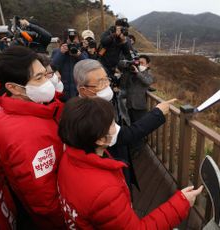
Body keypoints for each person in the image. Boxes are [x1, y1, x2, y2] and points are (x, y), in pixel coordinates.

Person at [58, 96, 203, 229]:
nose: (117, 127)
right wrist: (181, 203)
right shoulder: (106, 193)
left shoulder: (69, 158)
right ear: (101, 140)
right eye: (112, 123)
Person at [73, 59, 173, 191]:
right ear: (83, 90)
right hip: (110, 171)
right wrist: (158, 113)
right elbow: (125, 135)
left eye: (106, 79)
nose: (106, 85)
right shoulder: (89, 115)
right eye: (100, 82)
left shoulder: (90, 103)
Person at [0, 46, 65, 229]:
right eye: (38, 78)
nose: (47, 83)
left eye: (45, 74)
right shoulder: (26, 136)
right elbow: (45, 202)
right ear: (13, 87)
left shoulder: (29, 109)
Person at [51, 28, 88, 101]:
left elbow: (87, 67)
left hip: (78, 92)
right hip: (63, 92)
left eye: (75, 39)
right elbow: (52, 67)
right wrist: (61, 53)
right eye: (70, 39)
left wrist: (79, 55)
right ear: (65, 40)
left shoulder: (82, 52)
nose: (73, 42)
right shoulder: (57, 52)